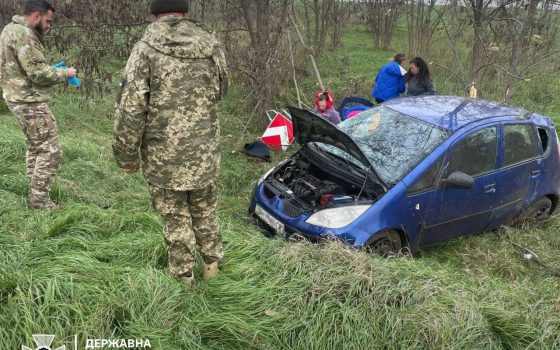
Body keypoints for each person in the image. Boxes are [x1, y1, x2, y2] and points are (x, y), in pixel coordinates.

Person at [113, 0, 229, 287]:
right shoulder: (211, 46)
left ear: (155, 14)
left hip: (164, 158)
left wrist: (126, 157)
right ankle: (212, 267)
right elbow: (222, 89)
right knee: (205, 211)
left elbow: (130, 109)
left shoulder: (145, 50)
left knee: (176, 220)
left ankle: (184, 279)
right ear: (185, 13)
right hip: (204, 152)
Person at [0, 0, 77, 210]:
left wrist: (46, 67)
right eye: (48, 21)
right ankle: (40, 201)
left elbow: (21, 67)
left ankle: (35, 190)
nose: (49, 26)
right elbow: (37, 73)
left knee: (35, 146)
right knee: (51, 150)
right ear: (36, 16)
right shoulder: (24, 34)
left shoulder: (9, 29)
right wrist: (65, 73)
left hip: (15, 97)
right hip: (29, 101)